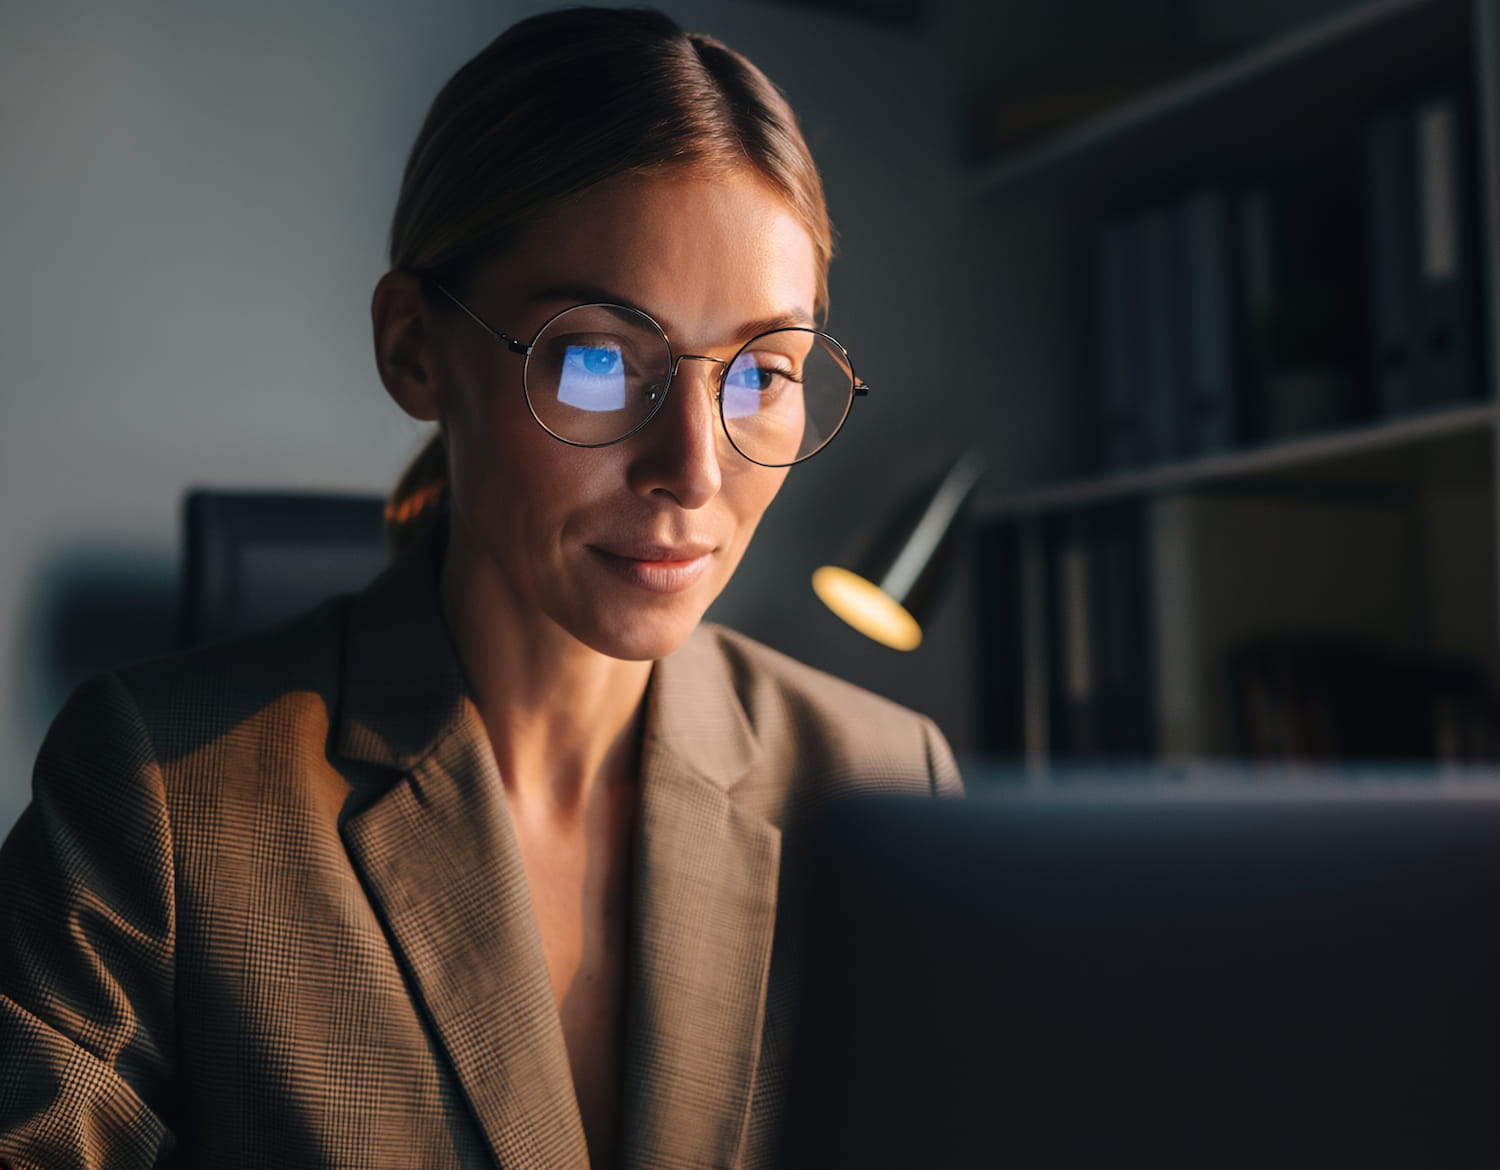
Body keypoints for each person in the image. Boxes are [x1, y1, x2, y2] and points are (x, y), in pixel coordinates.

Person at [0, 8, 961, 1169]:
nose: (695, 472)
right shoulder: (159, 798)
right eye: (601, 359)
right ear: (415, 349)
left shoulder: (886, 787)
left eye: (764, 371)